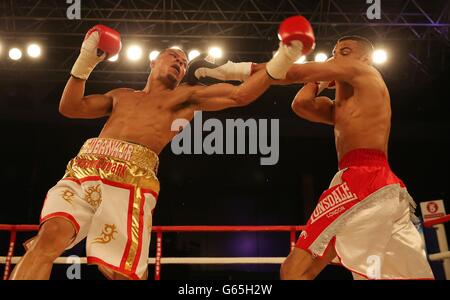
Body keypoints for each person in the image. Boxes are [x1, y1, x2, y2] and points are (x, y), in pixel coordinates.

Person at [10, 18, 314, 280]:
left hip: (131, 179)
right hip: (84, 168)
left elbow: (240, 96)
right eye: (174, 57)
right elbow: (71, 107)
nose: (180, 64)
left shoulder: (186, 97)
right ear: (154, 61)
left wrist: (284, 57)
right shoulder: (122, 95)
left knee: (121, 271)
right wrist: (85, 62)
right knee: (46, 240)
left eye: (184, 63)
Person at [279, 36, 434, 279]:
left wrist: (242, 71)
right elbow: (300, 104)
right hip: (377, 187)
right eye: (335, 52)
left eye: (346, 51)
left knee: (293, 270)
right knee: (305, 273)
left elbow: (296, 72)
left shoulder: (364, 71)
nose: (338, 57)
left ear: (366, 59)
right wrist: (321, 79)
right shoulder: (342, 107)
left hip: (363, 180)